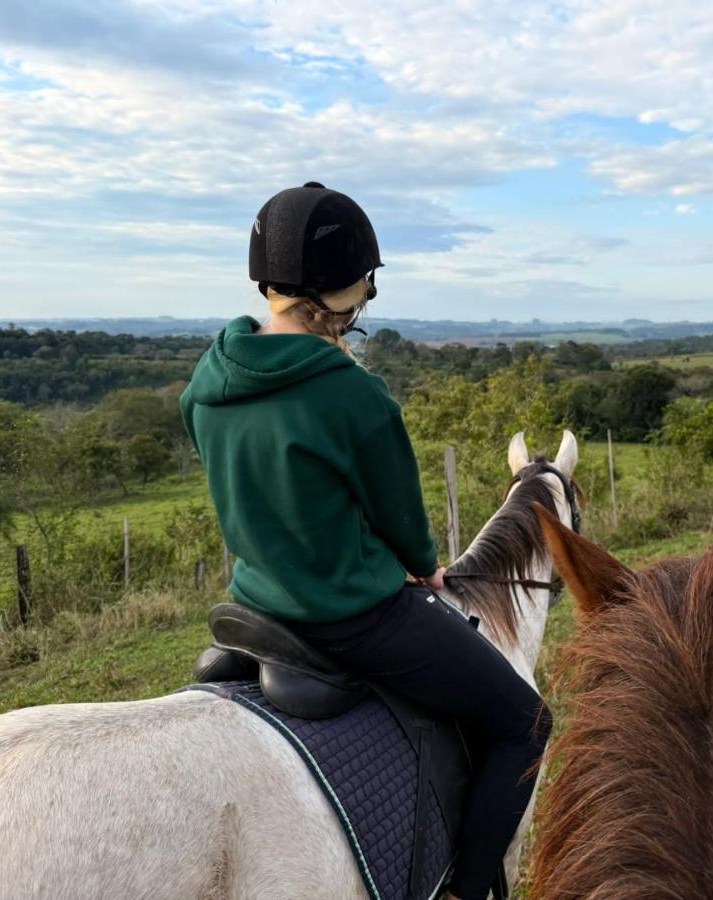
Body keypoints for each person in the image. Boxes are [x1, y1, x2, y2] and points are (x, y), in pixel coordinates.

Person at [179, 182, 551, 900]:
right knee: (525, 721)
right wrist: (422, 568)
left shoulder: (206, 382)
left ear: (263, 279)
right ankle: (472, 889)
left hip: (255, 602)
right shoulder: (354, 395)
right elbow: (401, 521)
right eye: (366, 282)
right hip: (351, 618)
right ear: (346, 292)